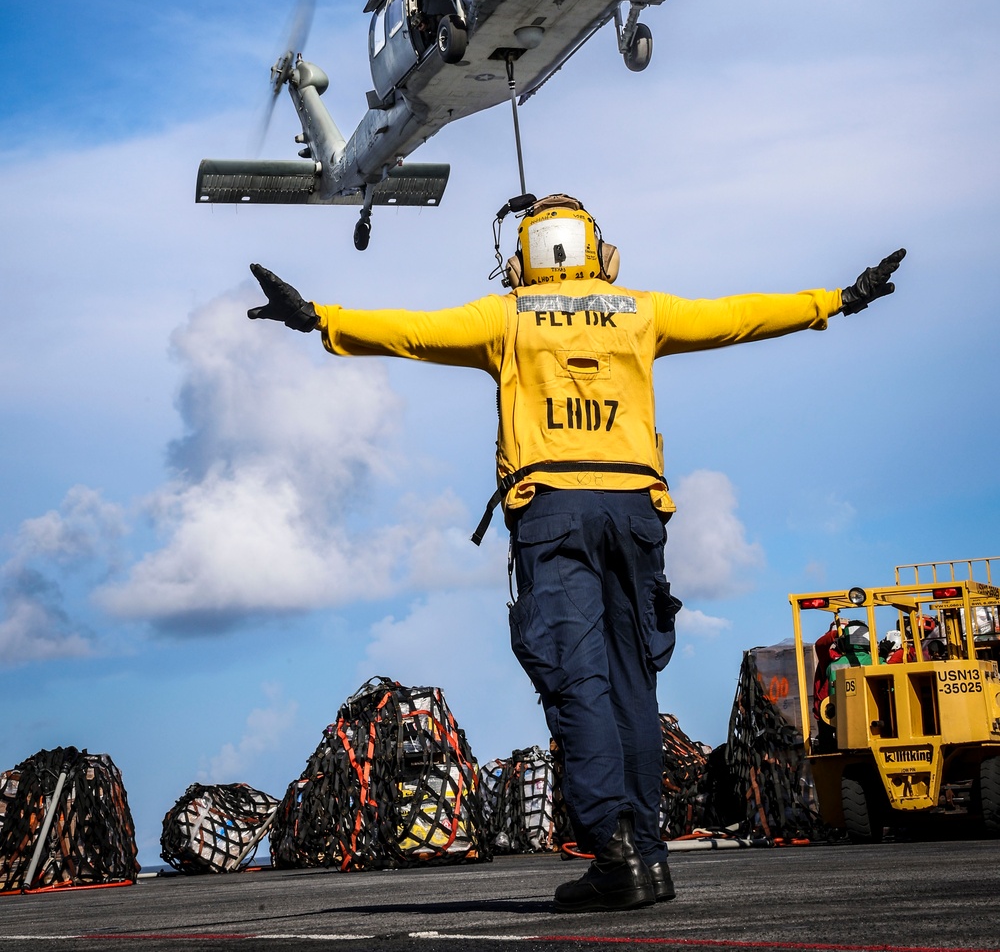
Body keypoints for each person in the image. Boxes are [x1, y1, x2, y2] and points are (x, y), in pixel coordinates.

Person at [247, 194, 905, 912]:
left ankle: (615, 854)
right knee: (632, 686)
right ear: (596, 249)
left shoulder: (505, 318)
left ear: (523, 258)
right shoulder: (639, 310)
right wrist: (838, 299)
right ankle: (648, 859)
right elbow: (735, 317)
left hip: (554, 512)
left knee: (578, 682)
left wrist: (319, 316)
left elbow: (410, 332)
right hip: (636, 514)